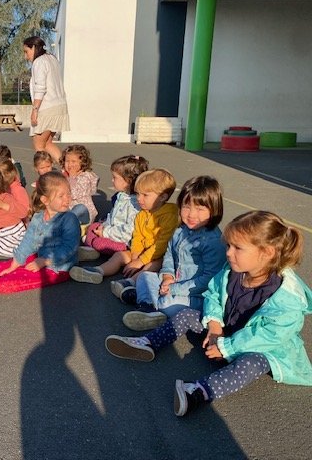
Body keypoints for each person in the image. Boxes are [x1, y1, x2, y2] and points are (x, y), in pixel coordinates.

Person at [105, 210, 312, 417]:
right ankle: (148, 343)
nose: (228, 253)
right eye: (228, 246)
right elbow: (213, 293)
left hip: (256, 346)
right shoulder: (232, 271)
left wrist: (227, 347)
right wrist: (214, 324)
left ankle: (199, 392)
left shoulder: (287, 297)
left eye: (237, 248)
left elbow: (270, 336)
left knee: (254, 363)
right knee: (187, 315)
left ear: (267, 252)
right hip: (225, 330)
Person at [120, 176, 227, 331]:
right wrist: (167, 275)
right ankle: (148, 307)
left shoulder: (213, 241)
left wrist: (174, 289)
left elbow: (209, 280)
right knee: (144, 277)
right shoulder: (180, 231)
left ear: (215, 210)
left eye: (200, 209)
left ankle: (150, 305)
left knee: (167, 303)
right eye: (186, 207)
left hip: (196, 295)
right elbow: (170, 255)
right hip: (172, 283)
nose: (191, 214)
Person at [0, 171, 80, 298]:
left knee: (26, 276)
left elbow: (69, 247)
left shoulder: (69, 219)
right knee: (9, 265)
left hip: (59, 267)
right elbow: (28, 242)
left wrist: (45, 261)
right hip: (40, 257)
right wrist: (15, 264)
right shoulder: (38, 217)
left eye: (68, 194)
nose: (67, 199)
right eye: (61, 196)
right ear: (45, 200)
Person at [70, 168, 179, 285]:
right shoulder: (142, 214)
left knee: (153, 265)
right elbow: (137, 236)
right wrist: (135, 254)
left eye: (145, 195)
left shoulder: (169, 215)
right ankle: (98, 271)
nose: (139, 198)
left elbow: (161, 244)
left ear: (162, 197)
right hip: (142, 252)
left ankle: (130, 282)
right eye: (138, 194)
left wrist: (141, 261)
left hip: (159, 254)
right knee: (119, 256)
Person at [78, 155, 148, 261]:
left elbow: (128, 232)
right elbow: (113, 216)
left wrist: (105, 232)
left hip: (124, 241)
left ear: (128, 181)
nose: (112, 180)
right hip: (112, 231)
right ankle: (91, 246)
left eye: (115, 178)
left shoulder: (135, 204)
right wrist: (104, 226)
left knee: (99, 243)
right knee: (94, 226)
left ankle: (91, 246)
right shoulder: (122, 195)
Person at [23, 36, 69, 162]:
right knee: (47, 143)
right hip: (59, 106)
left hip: (46, 108)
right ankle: (66, 170)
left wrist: (35, 110)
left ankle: (46, 173)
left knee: (39, 145)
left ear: (34, 47)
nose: (25, 56)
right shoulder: (52, 59)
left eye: (26, 51)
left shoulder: (39, 62)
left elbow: (40, 87)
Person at [60, 144, 99, 224]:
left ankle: (64, 223)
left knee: (80, 208)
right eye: (67, 161)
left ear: (82, 162)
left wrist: (72, 177)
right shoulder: (65, 176)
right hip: (68, 208)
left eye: (73, 161)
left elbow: (74, 194)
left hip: (84, 212)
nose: (70, 165)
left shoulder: (85, 177)